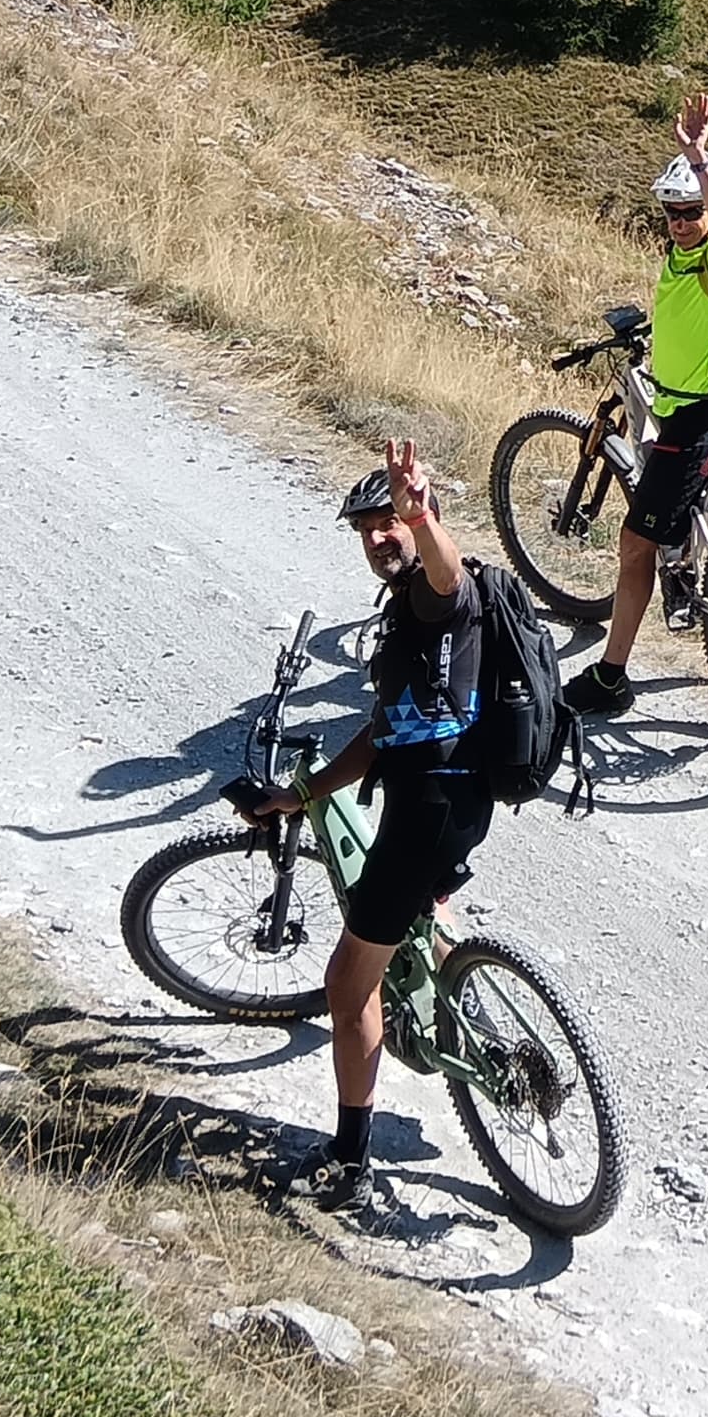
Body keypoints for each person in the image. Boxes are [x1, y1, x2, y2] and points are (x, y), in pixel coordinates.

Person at [252, 438, 491, 1205]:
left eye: (388, 521)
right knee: (421, 918)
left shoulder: (435, 589)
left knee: (348, 986)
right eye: (368, 528)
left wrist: (420, 517)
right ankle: (462, 999)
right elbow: (385, 728)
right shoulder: (410, 609)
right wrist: (311, 790)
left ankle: (350, 1162)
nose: (378, 537)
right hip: (462, 797)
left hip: (425, 811)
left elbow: (446, 578)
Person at [570, 87, 708, 720]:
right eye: (672, 211)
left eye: (690, 210)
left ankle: (612, 679)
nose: (680, 220)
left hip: (695, 418)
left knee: (635, 543)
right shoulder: (681, 255)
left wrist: (698, 157)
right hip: (703, 406)